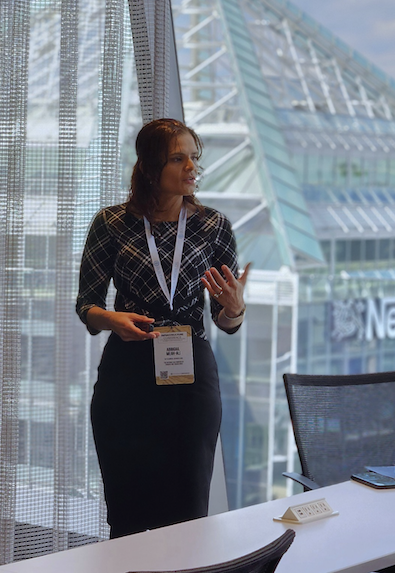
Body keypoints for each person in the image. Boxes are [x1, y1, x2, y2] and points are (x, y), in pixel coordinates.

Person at [76, 118, 250, 538]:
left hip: (190, 380)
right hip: (127, 376)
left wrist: (235, 308)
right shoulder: (112, 223)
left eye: (194, 157)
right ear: (151, 166)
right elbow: (87, 305)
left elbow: (226, 321)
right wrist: (112, 319)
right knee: (127, 516)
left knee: (188, 514)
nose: (192, 167)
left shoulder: (213, 226)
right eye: (178, 158)